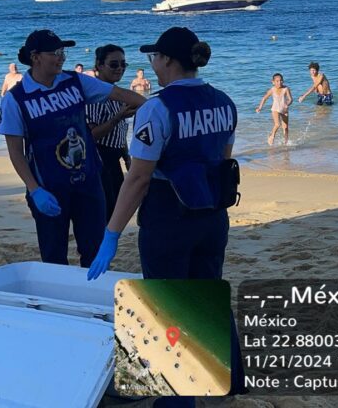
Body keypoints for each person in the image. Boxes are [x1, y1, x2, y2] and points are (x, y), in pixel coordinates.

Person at [85, 26, 245, 399]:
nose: (152, 63)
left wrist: (111, 233)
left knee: (167, 307)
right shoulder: (224, 102)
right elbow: (223, 161)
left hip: (168, 216)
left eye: (154, 56)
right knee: (207, 294)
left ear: (168, 60)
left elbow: (138, 178)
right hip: (213, 214)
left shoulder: (156, 109)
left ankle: (177, 398)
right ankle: (232, 379)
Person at [0, 30, 145, 266]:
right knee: (54, 257)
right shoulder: (15, 99)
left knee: (94, 251)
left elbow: (120, 94)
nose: (62, 58)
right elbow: (15, 151)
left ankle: (92, 288)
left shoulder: (76, 81)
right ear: (35, 57)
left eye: (63, 52)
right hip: (48, 187)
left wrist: (155, 110)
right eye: (55, 53)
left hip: (89, 182)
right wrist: (34, 190)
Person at [86, 44, 136, 221]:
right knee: (106, 213)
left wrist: (127, 157)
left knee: (115, 210)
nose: (120, 68)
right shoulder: (95, 96)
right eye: (114, 64)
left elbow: (120, 131)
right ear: (99, 66)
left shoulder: (116, 93)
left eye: (123, 64)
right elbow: (91, 135)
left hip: (114, 160)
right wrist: (118, 117)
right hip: (100, 161)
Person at [255, 73, 293, 145]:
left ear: (283, 81)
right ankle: (272, 136)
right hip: (275, 109)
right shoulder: (272, 90)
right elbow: (264, 98)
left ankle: (286, 143)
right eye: (277, 81)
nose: (279, 82)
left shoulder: (286, 89)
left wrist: (287, 104)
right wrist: (260, 107)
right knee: (277, 124)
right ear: (273, 82)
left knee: (285, 127)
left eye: (281, 80)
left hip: (284, 109)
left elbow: (291, 99)